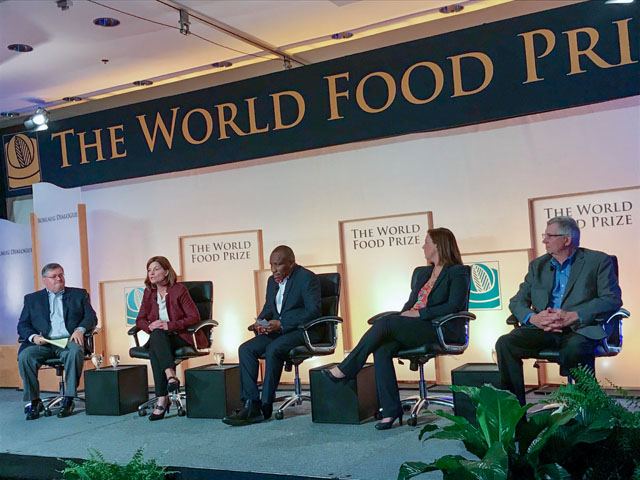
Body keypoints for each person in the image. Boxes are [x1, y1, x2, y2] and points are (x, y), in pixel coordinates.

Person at [324, 228, 469, 430]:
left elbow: (453, 306)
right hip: (416, 327)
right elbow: (410, 304)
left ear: (437, 245)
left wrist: (418, 315)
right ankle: (391, 411)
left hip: (439, 328)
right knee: (382, 348)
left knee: (385, 322)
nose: (423, 246)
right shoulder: (424, 273)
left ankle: (347, 368)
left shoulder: (457, 272)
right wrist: (404, 316)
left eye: (426, 242)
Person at [495, 216, 622, 406]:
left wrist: (575, 315)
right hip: (544, 328)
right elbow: (517, 301)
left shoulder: (598, 261)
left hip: (580, 328)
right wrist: (533, 318)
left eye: (549, 236)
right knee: (506, 343)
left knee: (574, 349)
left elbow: (612, 299)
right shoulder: (538, 266)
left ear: (567, 239)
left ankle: (592, 411)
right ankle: (514, 415)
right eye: (544, 235)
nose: (544, 240)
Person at [222, 245, 321, 426]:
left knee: (274, 348)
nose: (274, 270)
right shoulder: (271, 281)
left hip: (302, 331)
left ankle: (266, 405)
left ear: (292, 263)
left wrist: (282, 323)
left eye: (279, 265)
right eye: (271, 265)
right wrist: (260, 321)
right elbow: (270, 307)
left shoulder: (307, 278)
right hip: (278, 330)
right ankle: (251, 403)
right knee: (246, 349)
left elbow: (313, 311)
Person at [17, 263, 97, 420]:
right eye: (54, 276)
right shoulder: (32, 299)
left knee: (75, 351)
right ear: (45, 280)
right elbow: (23, 325)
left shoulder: (78, 294)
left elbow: (91, 318)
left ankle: (68, 398)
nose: (59, 279)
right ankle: (34, 401)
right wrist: (34, 337)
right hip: (44, 342)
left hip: (68, 340)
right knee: (25, 356)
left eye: (61, 275)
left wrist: (80, 329)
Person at [135, 256, 203, 421]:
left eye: (156, 269)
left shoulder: (179, 290)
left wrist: (169, 325)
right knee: (157, 336)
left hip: (179, 336)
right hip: (160, 338)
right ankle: (170, 376)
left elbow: (194, 317)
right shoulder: (149, 292)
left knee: (155, 347)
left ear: (166, 271)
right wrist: (149, 327)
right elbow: (140, 319)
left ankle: (162, 399)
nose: (152, 273)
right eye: (149, 270)